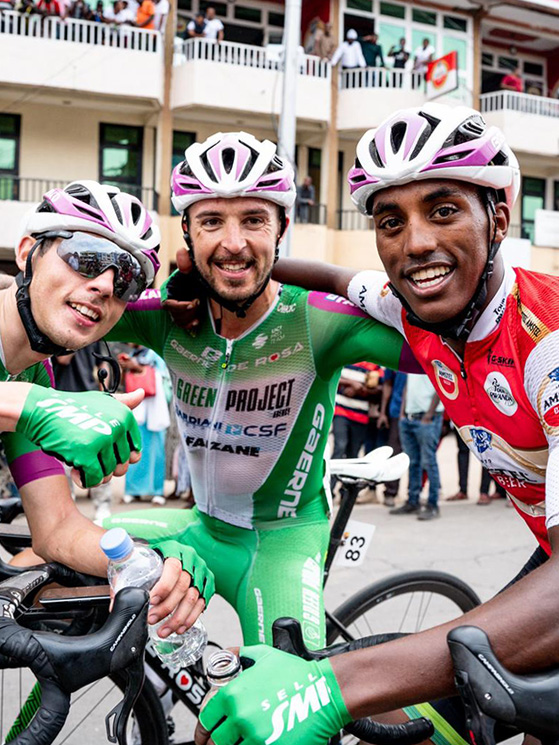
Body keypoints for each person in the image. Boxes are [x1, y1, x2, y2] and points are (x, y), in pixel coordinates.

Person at [194, 104, 559, 745]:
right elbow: (334, 277)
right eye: (392, 221)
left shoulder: (548, 342)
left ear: (499, 219)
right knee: (453, 717)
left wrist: (332, 687)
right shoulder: (413, 304)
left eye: (443, 211)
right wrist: (213, 272)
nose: (415, 243)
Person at [101, 130, 420, 655]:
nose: (233, 242)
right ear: (188, 233)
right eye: (211, 222)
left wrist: (328, 276)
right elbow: (45, 306)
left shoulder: (316, 319)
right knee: (49, 564)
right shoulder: (169, 315)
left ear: (282, 228)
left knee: (284, 698)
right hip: (200, 528)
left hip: (283, 539)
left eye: (253, 220)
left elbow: (450, 335)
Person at [4, 180, 213, 639]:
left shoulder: (33, 374)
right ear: (27, 253)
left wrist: (145, 559)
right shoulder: (32, 393)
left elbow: (56, 527)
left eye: (126, 280)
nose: (103, 285)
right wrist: (34, 405)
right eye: (85, 258)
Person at [52, 342, 113, 521]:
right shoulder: (61, 336)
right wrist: (80, 339)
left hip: (89, 399)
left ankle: (103, 505)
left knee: (97, 455)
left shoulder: (94, 335)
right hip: (62, 400)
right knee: (63, 458)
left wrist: (104, 394)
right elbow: (63, 359)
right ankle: (68, 504)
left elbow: (103, 363)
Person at [120, 346, 171, 506]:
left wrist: (137, 367)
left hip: (156, 409)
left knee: (157, 452)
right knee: (134, 449)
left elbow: (163, 375)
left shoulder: (155, 352)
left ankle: (157, 491)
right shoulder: (133, 354)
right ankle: (132, 491)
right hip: (137, 410)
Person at [392, 374, 443, 520]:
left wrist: (429, 414)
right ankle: (413, 501)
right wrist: (402, 414)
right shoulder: (413, 364)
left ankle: (433, 504)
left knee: (429, 462)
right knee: (413, 462)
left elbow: (440, 387)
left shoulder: (433, 363)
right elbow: (407, 387)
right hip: (408, 418)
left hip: (428, 418)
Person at [378, 368, 406, 506]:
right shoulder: (397, 361)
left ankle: (415, 495)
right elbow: (387, 384)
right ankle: (390, 492)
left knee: (420, 457)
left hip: (420, 413)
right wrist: (383, 412)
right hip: (396, 412)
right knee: (395, 453)